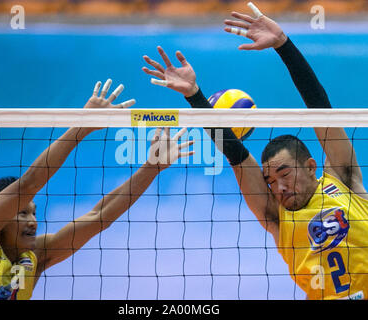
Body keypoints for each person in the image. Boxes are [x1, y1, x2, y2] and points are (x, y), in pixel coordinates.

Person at [142, 2, 368, 300]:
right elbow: (236, 155)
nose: (279, 187)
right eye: (270, 181)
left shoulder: (343, 180)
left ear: (312, 167)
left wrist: (284, 46)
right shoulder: (276, 216)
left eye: (284, 174)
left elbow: (320, 109)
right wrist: (195, 97)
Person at [0, 79, 194, 300]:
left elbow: (99, 217)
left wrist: (151, 168)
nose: (33, 221)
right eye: (22, 213)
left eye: (34, 212)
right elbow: (28, 185)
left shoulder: (35, 255)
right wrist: (83, 125)